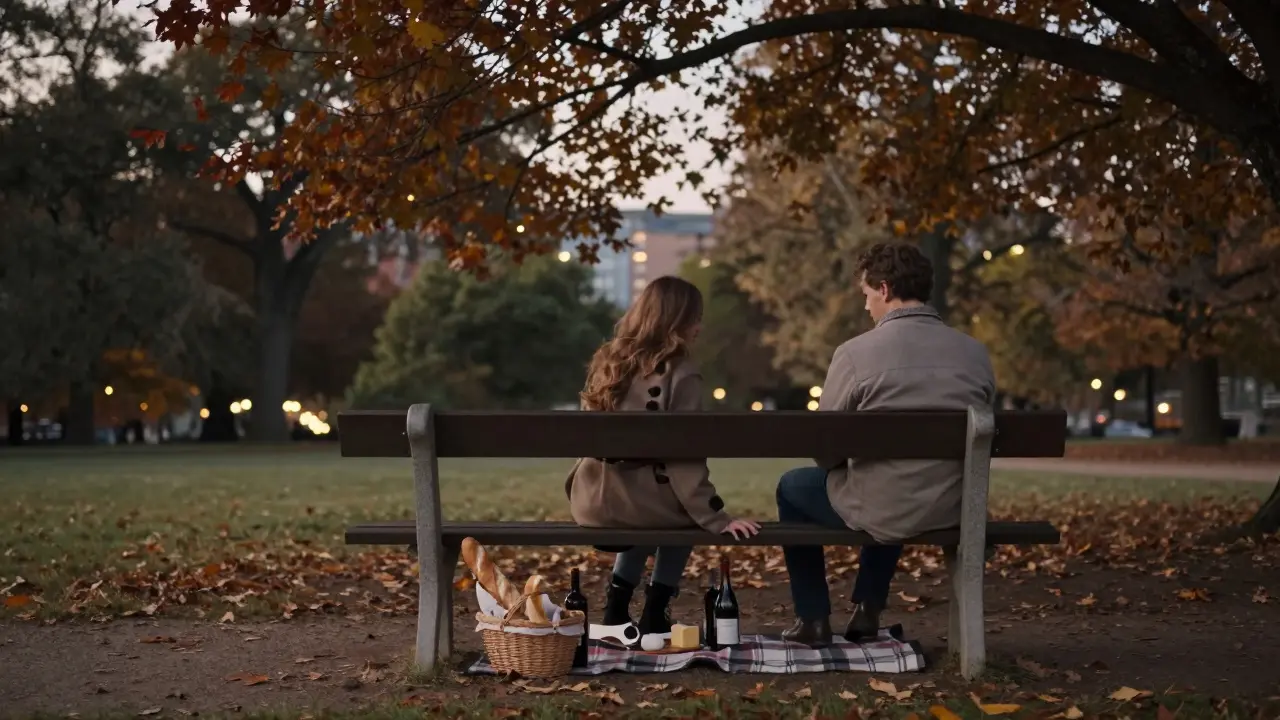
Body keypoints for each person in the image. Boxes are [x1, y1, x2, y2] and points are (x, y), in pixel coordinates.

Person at [778, 242, 996, 648]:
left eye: (865, 296)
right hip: (952, 505)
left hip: (884, 507)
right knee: (897, 479)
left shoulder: (855, 353)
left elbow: (824, 449)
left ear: (883, 289)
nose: (866, 307)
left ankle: (813, 618)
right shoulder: (975, 353)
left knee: (794, 487)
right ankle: (869, 609)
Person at [565, 276, 761, 646]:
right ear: (677, 321)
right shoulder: (680, 372)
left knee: (649, 499)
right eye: (695, 318)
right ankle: (656, 611)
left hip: (593, 502)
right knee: (683, 513)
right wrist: (716, 518)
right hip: (637, 504)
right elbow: (683, 458)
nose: (700, 326)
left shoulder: (607, 362)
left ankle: (616, 608)